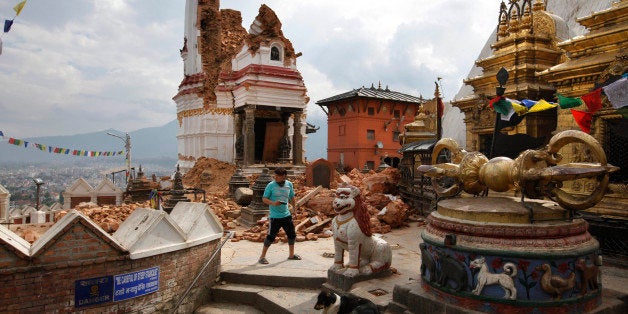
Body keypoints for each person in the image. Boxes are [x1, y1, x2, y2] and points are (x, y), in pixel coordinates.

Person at [258, 167, 301, 264]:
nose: (275, 177)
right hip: (275, 217)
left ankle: (291, 255)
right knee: (270, 237)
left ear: (284, 176)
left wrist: (294, 210)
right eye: (275, 175)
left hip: (286, 215)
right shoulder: (271, 185)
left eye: (278, 176)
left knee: (292, 235)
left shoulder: (289, 184)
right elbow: (264, 199)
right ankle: (262, 257)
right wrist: (273, 203)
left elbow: (292, 198)